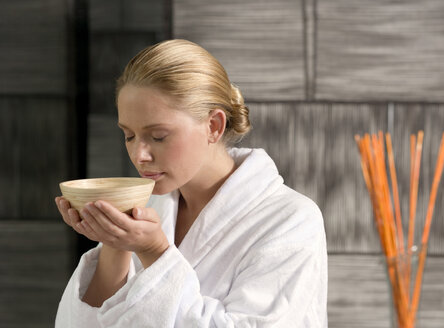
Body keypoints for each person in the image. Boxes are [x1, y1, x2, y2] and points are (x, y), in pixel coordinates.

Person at [54, 39, 328, 327]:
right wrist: (115, 242)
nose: (139, 155)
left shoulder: (291, 220)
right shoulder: (147, 209)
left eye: (158, 136)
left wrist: (154, 252)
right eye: (129, 135)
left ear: (213, 126)